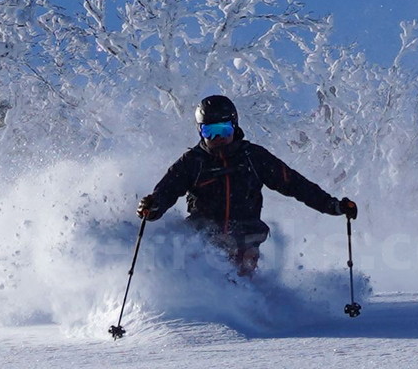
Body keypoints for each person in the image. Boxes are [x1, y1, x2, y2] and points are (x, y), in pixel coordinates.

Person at [137, 95, 357, 276]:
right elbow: (167, 190)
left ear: (234, 126)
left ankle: (243, 305)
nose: (217, 138)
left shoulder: (253, 157)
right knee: (196, 256)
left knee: (242, 258)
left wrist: (333, 205)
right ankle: (196, 308)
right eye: (209, 132)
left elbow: (295, 184)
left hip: (245, 232)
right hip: (203, 233)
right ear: (200, 132)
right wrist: (153, 207)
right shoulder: (192, 162)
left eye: (223, 130)